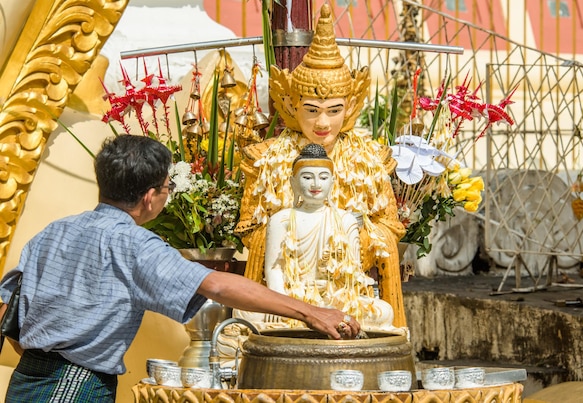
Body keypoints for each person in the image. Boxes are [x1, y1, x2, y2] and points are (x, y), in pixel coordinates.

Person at [0, 134, 360, 402]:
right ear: (150, 197)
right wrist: (311, 312)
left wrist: (39, 352)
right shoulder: (133, 244)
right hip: (74, 386)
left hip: (27, 378)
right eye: (167, 187)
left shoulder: (54, 231)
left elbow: (6, 307)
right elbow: (216, 286)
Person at [235, 3, 407, 327]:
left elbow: (391, 227)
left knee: (380, 314)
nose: (323, 122)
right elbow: (250, 230)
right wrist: (287, 228)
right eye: (312, 110)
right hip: (289, 290)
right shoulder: (267, 158)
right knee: (248, 314)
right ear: (290, 103)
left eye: (334, 110)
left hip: (345, 287)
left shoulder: (369, 158)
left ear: (351, 106)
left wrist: (351, 234)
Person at [234, 144, 395, 331]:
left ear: (333, 183)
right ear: (293, 182)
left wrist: (334, 295)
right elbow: (274, 268)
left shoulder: (346, 220)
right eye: (307, 177)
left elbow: (354, 273)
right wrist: (280, 302)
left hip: (334, 299)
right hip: (292, 300)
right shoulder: (281, 220)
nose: (316, 184)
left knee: (384, 312)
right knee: (243, 312)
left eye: (323, 177)